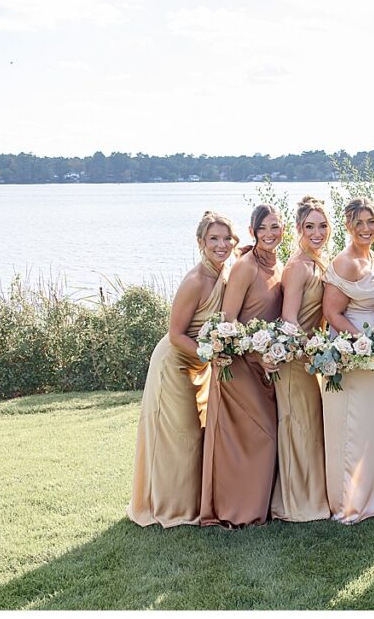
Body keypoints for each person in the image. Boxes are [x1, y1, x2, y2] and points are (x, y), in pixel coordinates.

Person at [128, 211, 237, 527]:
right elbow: (176, 335)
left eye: (226, 238)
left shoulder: (225, 274)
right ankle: (172, 510)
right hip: (174, 364)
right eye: (213, 239)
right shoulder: (195, 281)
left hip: (199, 364)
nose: (221, 244)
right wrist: (212, 356)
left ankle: (194, 505)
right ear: (201, 242)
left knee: (197, 436)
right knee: (180, 437)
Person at [199, 204, 284, 527]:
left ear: (283, 230)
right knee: (255, 438)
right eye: (262, 228)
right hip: (238, 365)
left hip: (265, 366)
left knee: (264, 436)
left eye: (274, 227)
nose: (269, 234)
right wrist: (256, 353)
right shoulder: (245, 267)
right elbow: (229, 322)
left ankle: (256, 508)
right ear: (252, 232)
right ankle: (238, 511)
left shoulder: (280, 266)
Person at [320, 197, 374, 523]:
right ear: (348, 226)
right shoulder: (345, 262)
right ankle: (348, 501)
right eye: (358, 223)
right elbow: (332, 313)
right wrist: (360, 341)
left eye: (370, 222)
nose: (365, 229)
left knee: (373, 426)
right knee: (352, 427)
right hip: (354, 356)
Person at [271, 196, 331, 522]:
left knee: (310, 427)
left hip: (310, 360)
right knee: (298, 427)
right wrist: (315, 348)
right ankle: (295, 503)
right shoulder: (297, 267)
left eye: (322, 225)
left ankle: (311, 494)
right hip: (294, 361)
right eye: (310, 226)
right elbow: (289, 320)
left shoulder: (319, 262)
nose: (317, 232)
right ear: (298, 229)